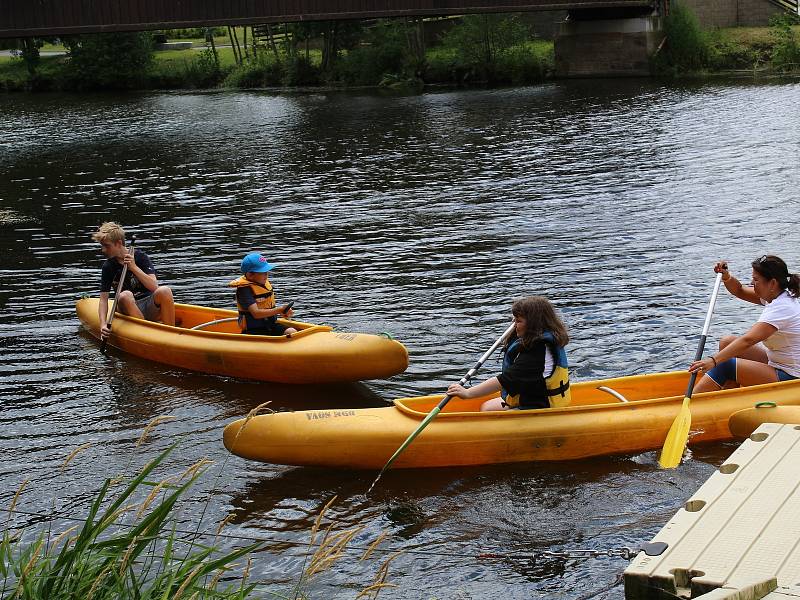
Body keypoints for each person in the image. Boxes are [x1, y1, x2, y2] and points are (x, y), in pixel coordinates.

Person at [689, 255, 800, 392]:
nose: (752, 283)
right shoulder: (776, 295)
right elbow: (739, 290)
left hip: (791, 377)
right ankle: (729, 396)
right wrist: (726, 277)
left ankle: (693, 405)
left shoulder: (782, 308)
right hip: (777, 362)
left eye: (756, 279)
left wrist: (713, 360)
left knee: (725, 365)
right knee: (727, 342)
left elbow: (748, 340)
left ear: (772, 283)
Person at [447, 296, 571, 412]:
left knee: (489, 414)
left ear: (533, 324)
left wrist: (467, 393)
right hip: (533, 396)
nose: (514, 325)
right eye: (514, 320)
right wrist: (518, 322)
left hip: (541, 406)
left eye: (518, 321)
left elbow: (506, 380)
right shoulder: (538, 338)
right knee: (487, 407)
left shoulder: (538, 351)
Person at [93, 222, 175, 340]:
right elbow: (103, 300)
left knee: (165, 290)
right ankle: (148, 335)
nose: (103, 250)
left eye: (107, 245)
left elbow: (154, 287)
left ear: (119, 243)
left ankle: (171, 335)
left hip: (147, 303)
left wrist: (134, 267)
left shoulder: (140, 257)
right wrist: (103, 325)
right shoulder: (108, 266)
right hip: (126, 306)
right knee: (125, 295)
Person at [228, 252, 297, 336]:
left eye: (267, 271)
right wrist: (279, 310)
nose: (266, 275)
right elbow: (256, 313)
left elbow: (268, 308)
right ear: (250, 274)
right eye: (262, 272)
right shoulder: (244, 290)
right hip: (254, 331)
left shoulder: (262, 284)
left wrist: (283, 312)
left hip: (271, 325)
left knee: (292, 332)